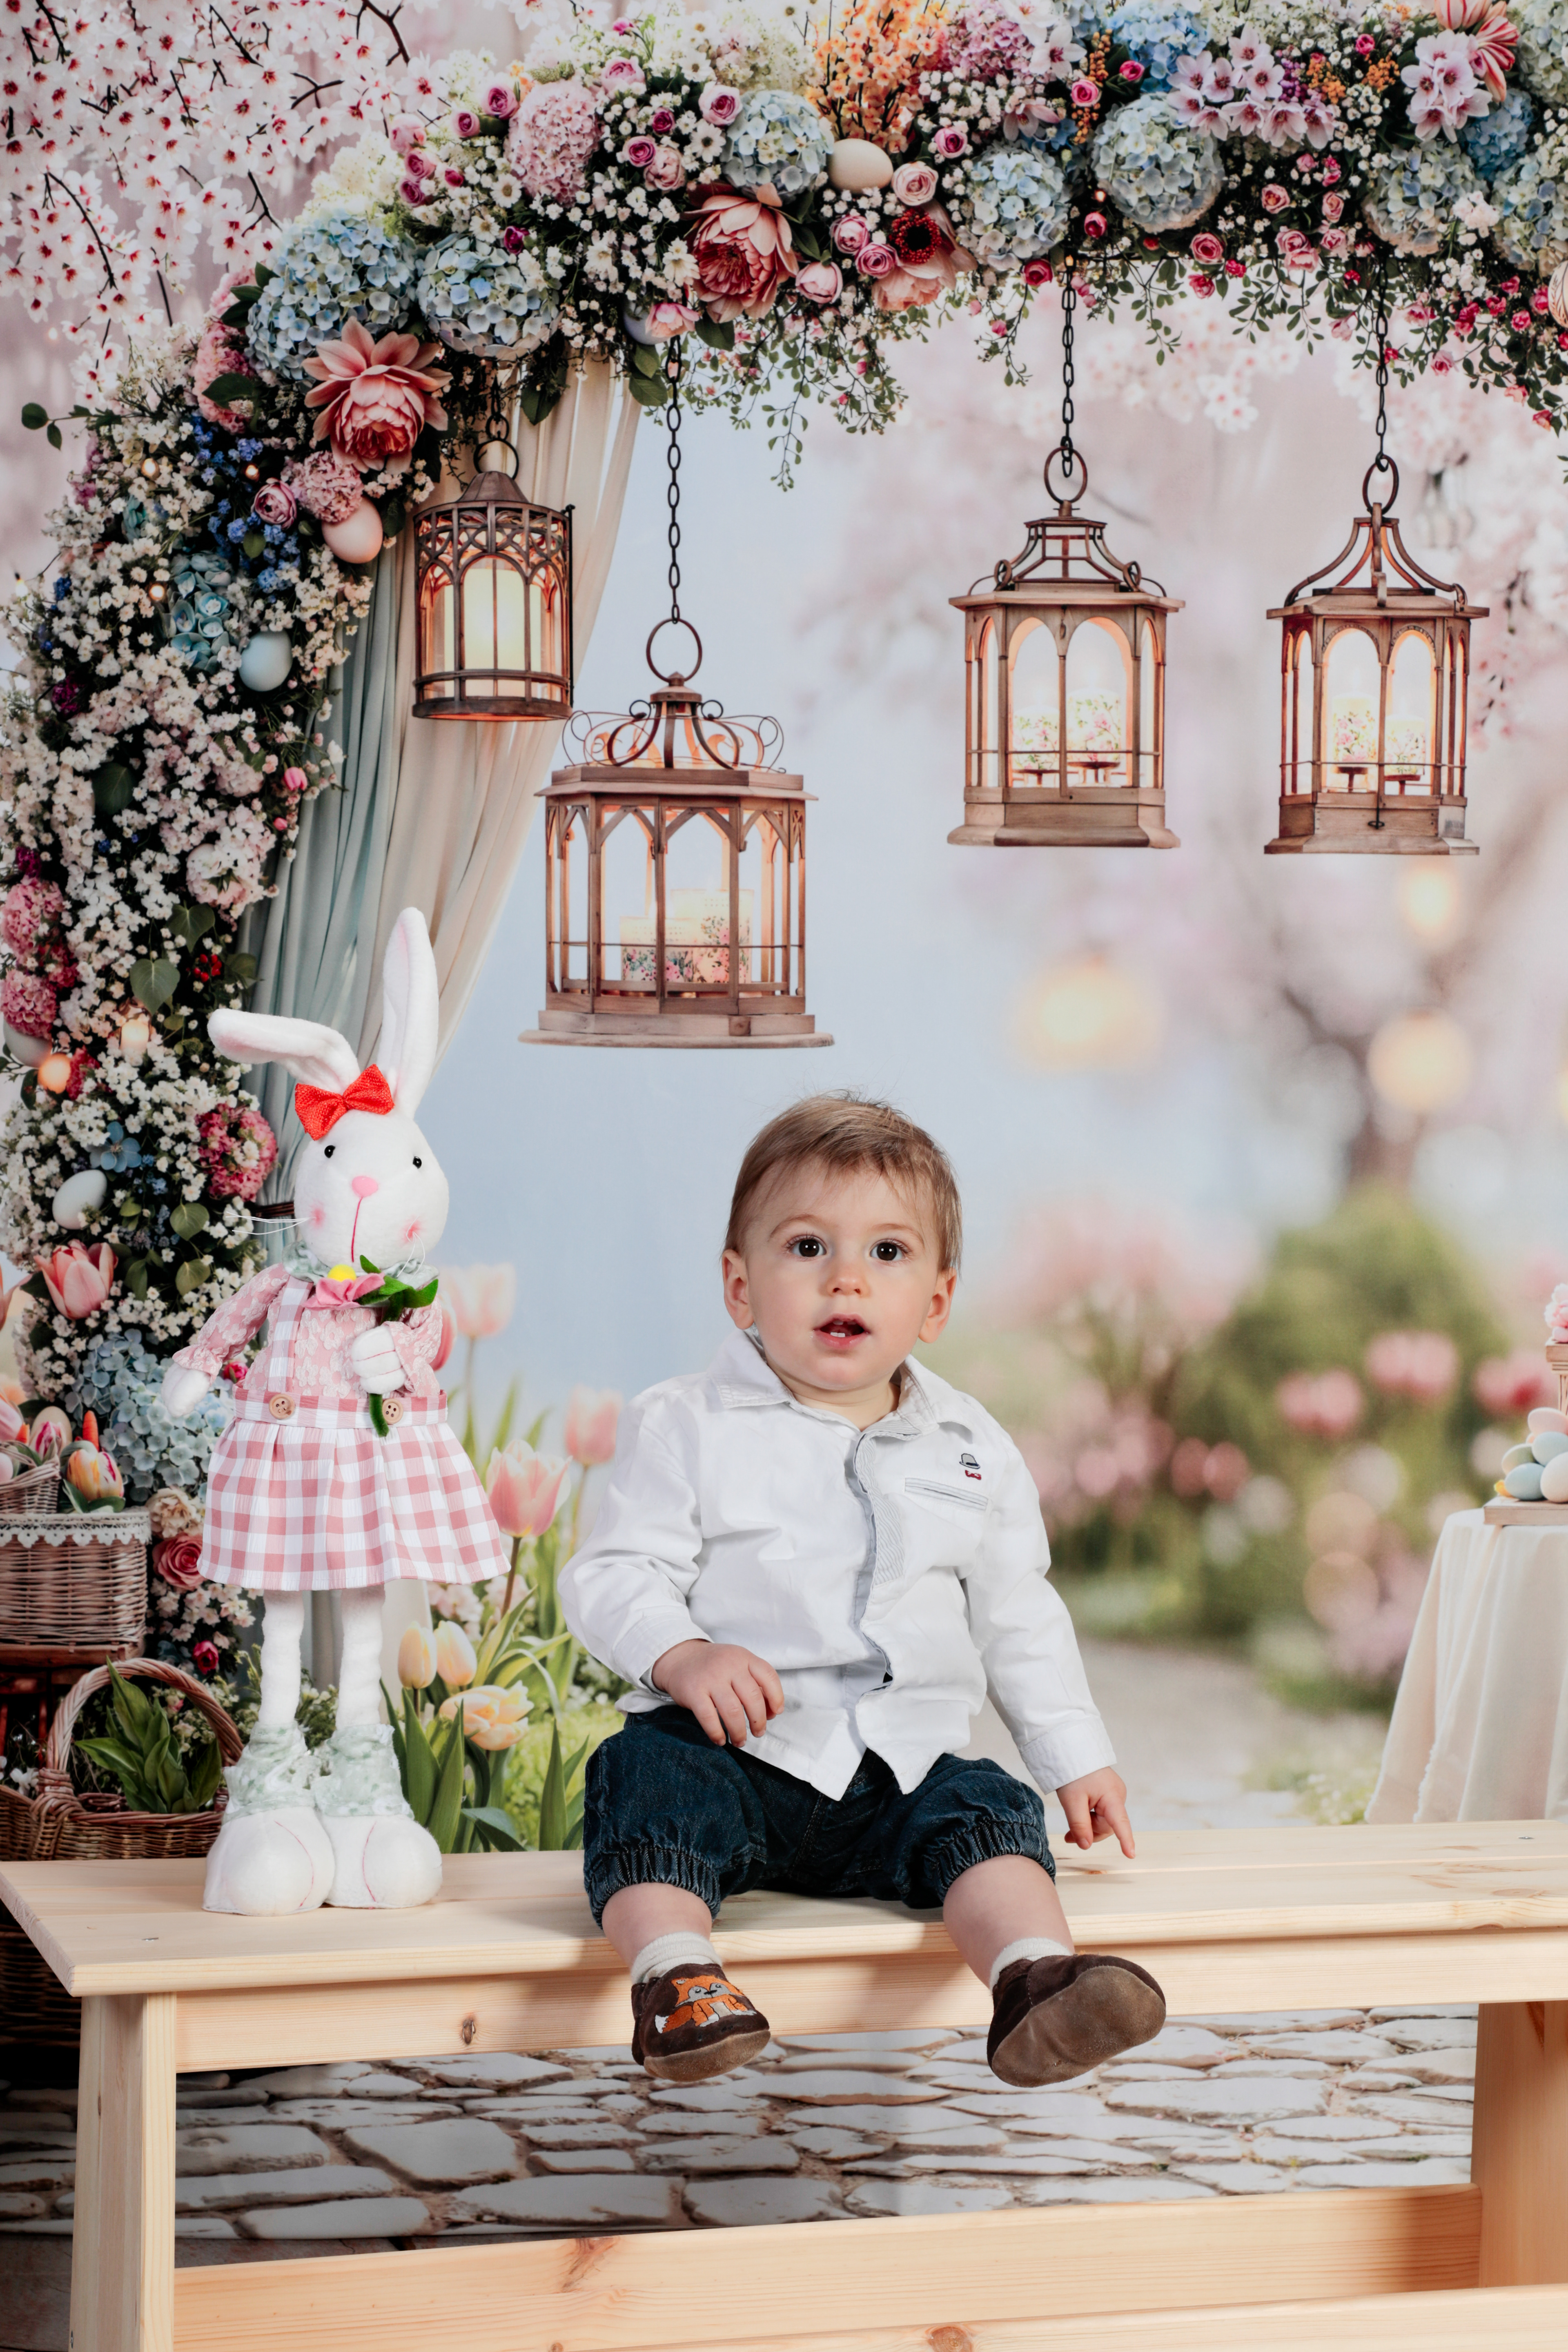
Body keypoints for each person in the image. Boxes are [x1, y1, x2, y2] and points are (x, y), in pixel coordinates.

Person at [559, 1094, 1165, 2087]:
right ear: (739, 1284)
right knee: (643, 1784)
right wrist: (685, 1654)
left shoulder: (970, 1447)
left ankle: (1033, 1979)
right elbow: (615, 1570)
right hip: (738, 1754)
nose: (846, 1276)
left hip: (903, 1767)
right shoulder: (687, 1423)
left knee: (987, 1812)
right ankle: (677, 1978)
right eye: (807, 1247)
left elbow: (1018, 1610)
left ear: (934, 1302)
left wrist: (1076, 1756)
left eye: (888, 1253)